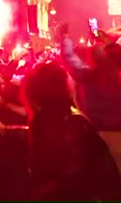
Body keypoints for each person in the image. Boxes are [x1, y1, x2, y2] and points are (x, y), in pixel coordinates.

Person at [23, 62, 121, 200]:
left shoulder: (38, 121)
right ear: (62, 86)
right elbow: (103, 174)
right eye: (68, 79)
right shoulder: (75, 122)